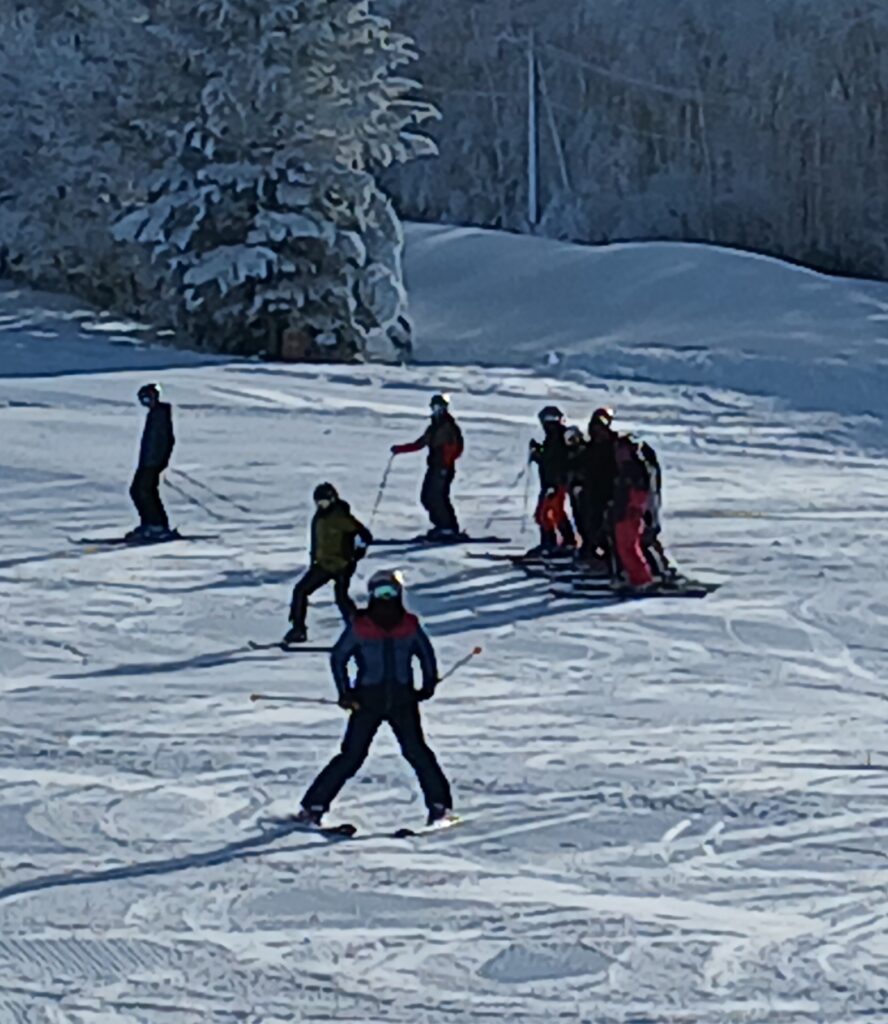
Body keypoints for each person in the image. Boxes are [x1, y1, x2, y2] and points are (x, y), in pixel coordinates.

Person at [295, 570, 455, 828]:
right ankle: (313, 807)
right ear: (371, 596)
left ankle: (440, 808)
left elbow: (426, 655)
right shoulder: (361, 626)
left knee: (417, 753)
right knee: (352, 756)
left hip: (402, 699)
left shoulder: (409, 625)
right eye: (380, 593)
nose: (385, 599)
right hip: (367, 700)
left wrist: (428, 684)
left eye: (390, 592)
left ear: (399, 594)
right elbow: (339, 658)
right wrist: (345, 692)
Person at [284, 483, 373, 645]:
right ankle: (298, 630)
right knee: (300, 591)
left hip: (342, 565)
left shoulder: (341, 516)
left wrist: (357, 553)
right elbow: (316, 541)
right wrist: (314, 560)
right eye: (318, 502)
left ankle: (358, 631)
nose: (321, 505)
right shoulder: (319, 517)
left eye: (324, 502)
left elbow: (365, 536)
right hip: (323, 565)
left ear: (332, 499)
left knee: (341, 598)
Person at [391, 394, 464, 540]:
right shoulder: (434, 427)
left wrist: (446, 460)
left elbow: (457, 446)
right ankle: (445, 526)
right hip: (435, 466)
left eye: (438, 407)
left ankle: (447, 527)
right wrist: (400, 449)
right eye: (434, 407)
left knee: (436, 497)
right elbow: (420, 443)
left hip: (443, 467)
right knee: (427, 497)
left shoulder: (447, 425)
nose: (436, 410)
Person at [126, 383, 175, 541]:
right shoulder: (155, 414)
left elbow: (167, 440)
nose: (145, 402)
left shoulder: (159, 414)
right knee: (140, 491)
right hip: (149, 461)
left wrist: (161, 459)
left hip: (152, 462)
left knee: (142, 491)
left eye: (147, 399)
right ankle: (152, 523)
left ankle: (155, 525)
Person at [574, 406, 619, 568]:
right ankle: (592, 552)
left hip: (608, 491)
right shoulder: (591, 445)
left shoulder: (613, 444)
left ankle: (609, 557)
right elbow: (581, 461)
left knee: (605, 526)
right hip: (590, 490)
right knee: (588, 523)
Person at [528, 406, 576, 555]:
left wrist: (539, 454)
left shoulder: (558, 438)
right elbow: (548, 457)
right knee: (550, 513)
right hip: (551, 481)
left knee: (547, 513)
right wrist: (538, 451)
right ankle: (559, 542)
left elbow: (555, 461)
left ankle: (556, 542)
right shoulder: (553, 438)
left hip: (555, 482)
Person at [612, 436, 655, 590]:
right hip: (622, 512)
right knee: (624, 548)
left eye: (622, 450)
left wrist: (634, 507)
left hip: (630, 513)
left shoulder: (635, 469)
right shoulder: (624, 469)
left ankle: (643, 578)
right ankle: (635, 577)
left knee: (630, 547)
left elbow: (641, 491)